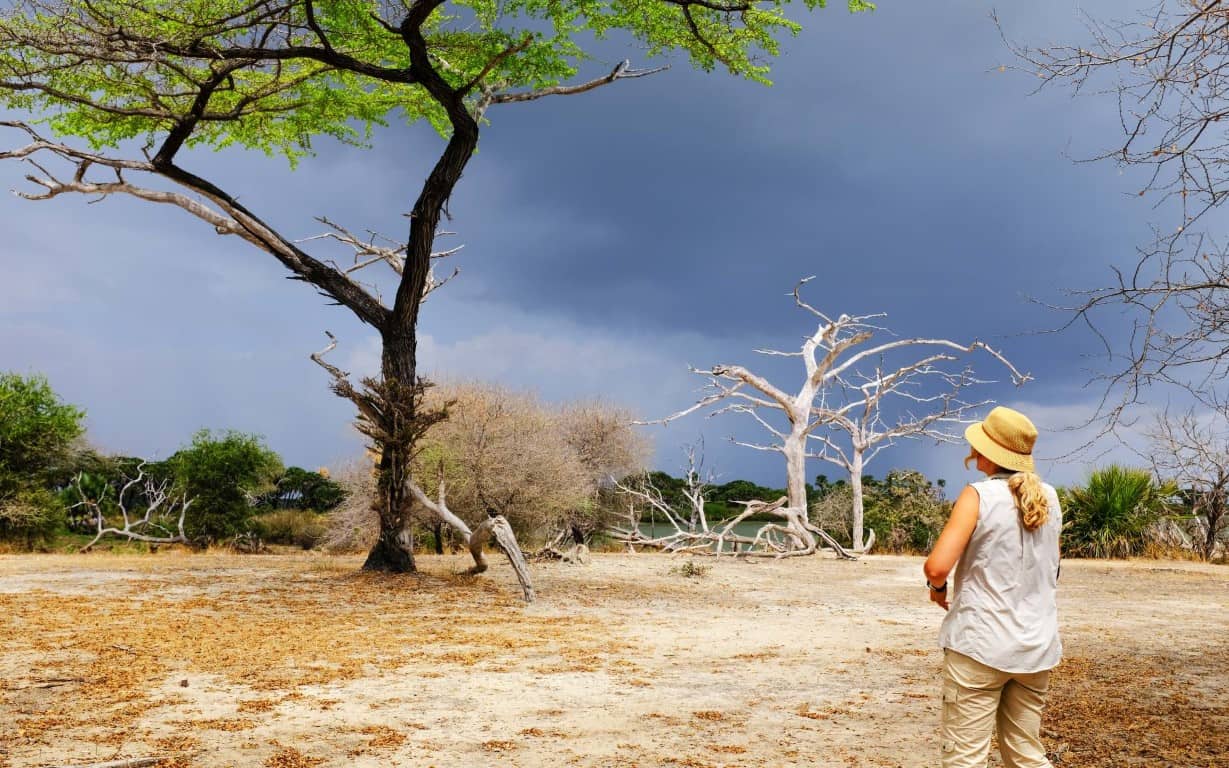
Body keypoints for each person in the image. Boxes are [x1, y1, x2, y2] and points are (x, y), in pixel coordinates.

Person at [922, 406, 1062, 768]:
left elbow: (937, 566)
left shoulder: (978, 495)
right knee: (1026, 754)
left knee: (965, 758)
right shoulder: (1050, 497)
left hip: (980, 645)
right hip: (1036, 647)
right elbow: (1052, 569)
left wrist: (936, 589)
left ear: (986, 452)